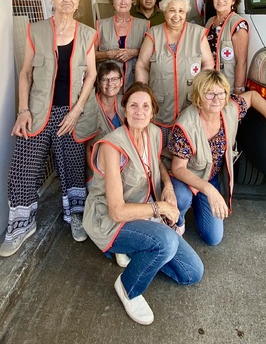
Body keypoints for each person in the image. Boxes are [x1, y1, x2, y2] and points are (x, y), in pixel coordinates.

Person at [83, 82, 203, 325]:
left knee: (192, 272)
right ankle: (128, 287)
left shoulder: (155, 133)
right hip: (109, 220)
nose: (140, 111)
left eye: (145, 106)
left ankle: (137, 248)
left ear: (153, 112)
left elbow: (156, 164)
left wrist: (167, 187)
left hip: (141, 212)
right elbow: (116, 211)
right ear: (124, 110)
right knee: (166, 241)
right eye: (134, 106)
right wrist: (159, 209)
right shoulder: (111, 146)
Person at [0, 0, 98, 257]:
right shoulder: (36, 30)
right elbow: (26, 72)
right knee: (23, 168)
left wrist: (78, 109)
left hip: (71, 112)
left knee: (73, 166)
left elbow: (91, 74)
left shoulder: (88, 34)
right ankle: (20, 226)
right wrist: (22, 110)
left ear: (78, 2)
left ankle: (76, 218)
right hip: (38, 111)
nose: (67, 0)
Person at [168, 70, 266, 245]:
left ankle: (198, 204)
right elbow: (178, 168)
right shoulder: (186, 124)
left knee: (213, 238)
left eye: (221, 93)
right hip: (188, 178)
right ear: (198, 96)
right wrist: (209, 190)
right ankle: (178, 221)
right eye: (209, 93)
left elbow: (253, 96)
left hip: (210, 177)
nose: (216, 99)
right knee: (181, 198)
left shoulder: (230, 109)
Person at [135, 0, 214, 146]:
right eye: (172, 10)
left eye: (181, 11)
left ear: (186, 13)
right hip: (160, 106)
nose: (176, 15)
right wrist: (143, 97)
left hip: (191, 105)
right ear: (164, 11)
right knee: (158, 151)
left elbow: (208, 64)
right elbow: (142, 66)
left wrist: (203, 91)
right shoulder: (153, 34)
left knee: (186, 152)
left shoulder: (197, 33)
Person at [95, 0, 149, 91]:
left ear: (132, 1)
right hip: (108, 86)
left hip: (135, 83)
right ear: (113, 2)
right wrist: (109, 54)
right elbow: (91, 55)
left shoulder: (144, 25)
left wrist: (134, 52)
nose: (123, 2)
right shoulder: (100, 25)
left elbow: (152, 54)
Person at [205, 0, 249, 94]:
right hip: (209, 83)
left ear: (233, 1)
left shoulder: (238, 24)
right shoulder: (210, 22)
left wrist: (238, 90)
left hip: (226, 86)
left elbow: (241, 61)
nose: (221, 0)